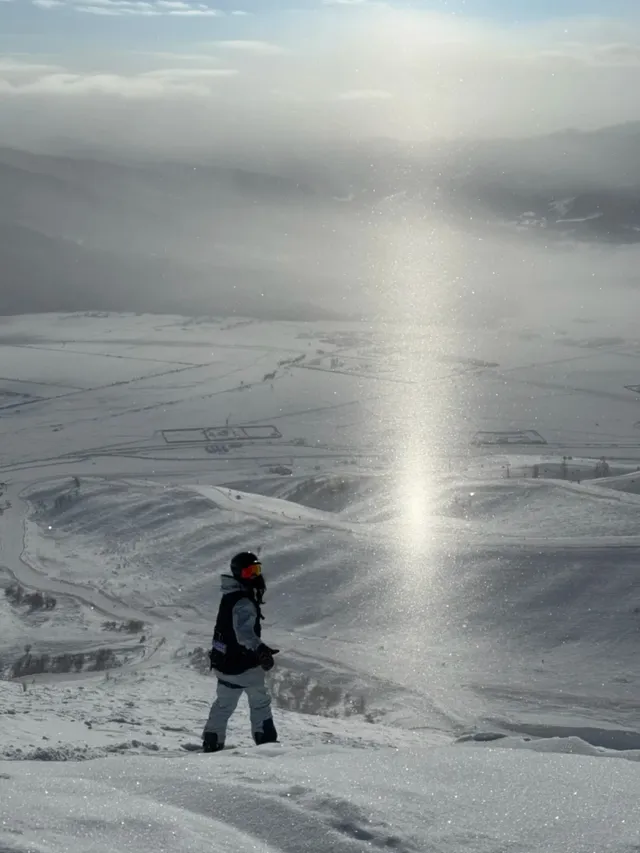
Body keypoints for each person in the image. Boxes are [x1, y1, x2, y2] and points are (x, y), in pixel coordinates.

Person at [202, 551, 279, 752]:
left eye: (257, 569)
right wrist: (260, 649)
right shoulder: (243, 601)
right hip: (243, 665)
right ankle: (267, 743)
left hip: (224, 662)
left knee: (224, 703)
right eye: (248, 572)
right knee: (260, 702)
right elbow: (243, 633)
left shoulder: (229, 595)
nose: (254, 575)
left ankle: (212, 739)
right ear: (238, 574)